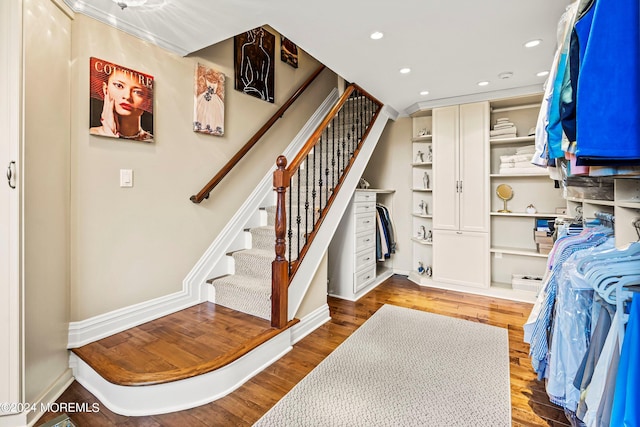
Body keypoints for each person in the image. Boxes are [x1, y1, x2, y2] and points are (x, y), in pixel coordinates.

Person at [90, 59, 154, 142]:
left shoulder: (151, 141)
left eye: (137, 92)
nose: (127, 96)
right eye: (119, 86)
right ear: (105, 89)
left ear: (147, 102)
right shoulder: (90, 134)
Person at [193, 66, 225, 135]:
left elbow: (215, 90)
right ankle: (203, 126)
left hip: (214, 98)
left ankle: (213, 128)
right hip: (206, 96)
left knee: (214, 113)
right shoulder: (207, 78)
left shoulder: (216, 81)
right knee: (204, 111)